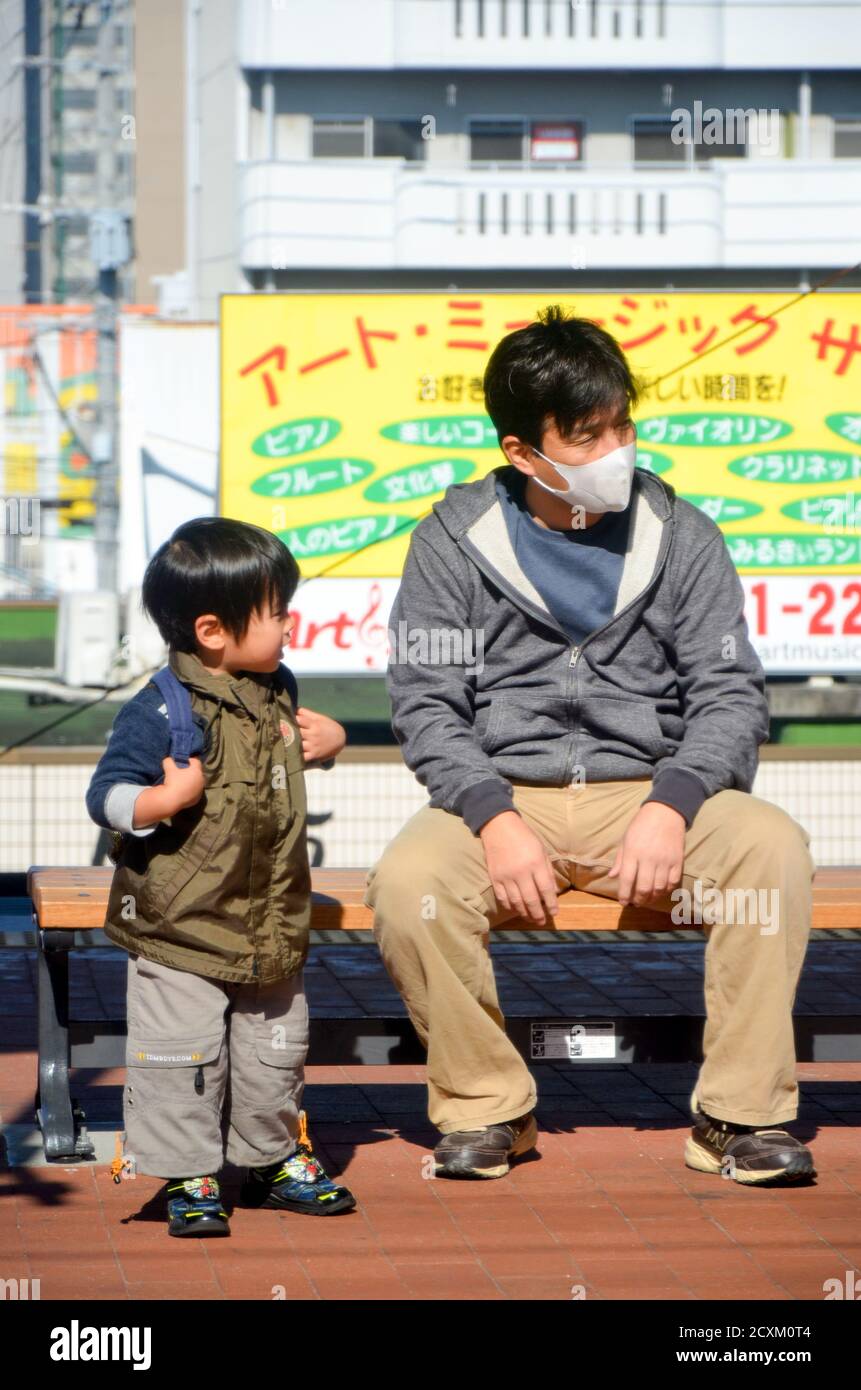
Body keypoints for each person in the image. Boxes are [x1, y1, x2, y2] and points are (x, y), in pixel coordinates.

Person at [363, 305, 817, 1186]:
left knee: (771, 849)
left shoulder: (683, 535)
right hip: (499, 797)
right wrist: (492, 818)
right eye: (585, 436)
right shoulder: (450, 542)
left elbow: (727, 693)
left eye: (621, 425)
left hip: (648, 793)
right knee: (408, 886)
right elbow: (427, 704)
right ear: (520, 452)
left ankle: (737, 1118)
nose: (615, 450)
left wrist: (670, 804)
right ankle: (489, 1105)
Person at [86, 516, 357, 1235]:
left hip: (268, 924)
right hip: (180, 929)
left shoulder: (276, 686)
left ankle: (269, 1160)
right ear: (212, 631)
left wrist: (329, 742)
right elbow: (105, 794)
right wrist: (162, 801)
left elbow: (281, 757)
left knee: (274, 1056)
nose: (289, 624)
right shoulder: (161, 709)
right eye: (275, 611)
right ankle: (187, 1174)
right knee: (180, 1061)